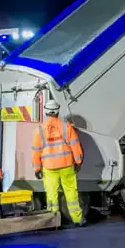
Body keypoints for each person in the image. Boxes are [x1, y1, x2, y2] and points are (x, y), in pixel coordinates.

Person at [31, 97, 85, 226]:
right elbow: (75, 146)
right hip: (66, 165)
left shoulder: (39, 130)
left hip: (49, 167)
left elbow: (36, 151)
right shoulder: (66, 127)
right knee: (71, 192)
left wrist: (36, 169)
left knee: (51, 194)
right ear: (57, 111)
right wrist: (78, 162)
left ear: (45, 112)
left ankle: (52, 221)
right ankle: (77, 219)